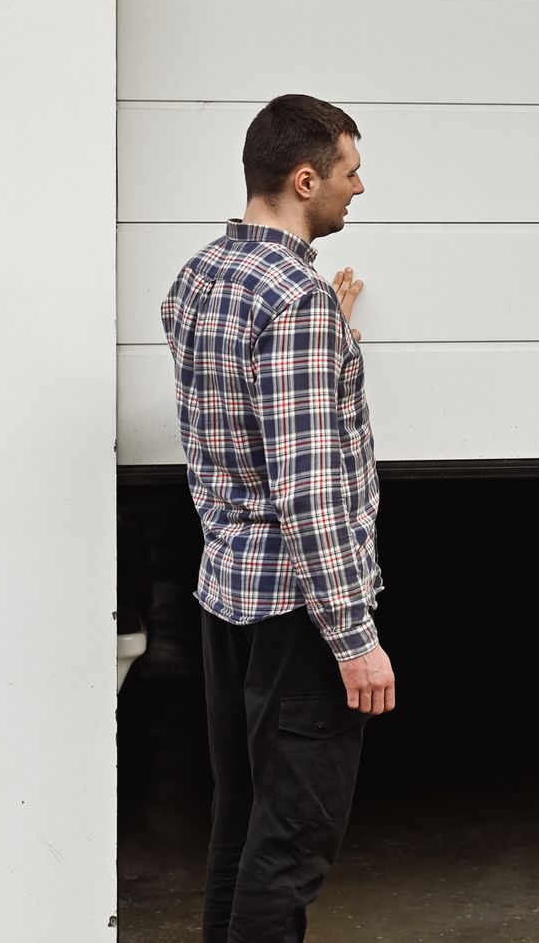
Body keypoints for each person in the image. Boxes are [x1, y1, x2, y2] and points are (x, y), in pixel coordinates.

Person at [160, 93, 394, 943]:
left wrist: (335, 337)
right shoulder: (296, 304)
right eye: (349, 171)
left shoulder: (200, 277)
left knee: (243, 816)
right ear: (304, 179)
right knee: (291, 839)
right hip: (298, 610)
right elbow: (308, 490)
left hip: (229, 596)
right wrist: (354, 638)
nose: (359, 187)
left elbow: (242, 416)